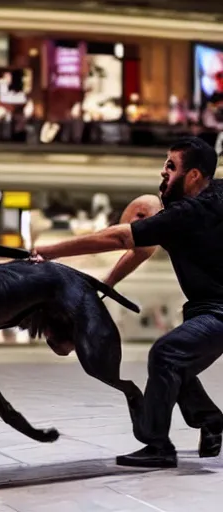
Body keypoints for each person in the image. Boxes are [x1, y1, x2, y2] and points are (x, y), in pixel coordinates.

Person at [35, 137, 223, 469]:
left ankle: (157, 445)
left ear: (193, 175)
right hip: (206, 309)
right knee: (177, 364)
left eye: (171, 166)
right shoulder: (211, 198)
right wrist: (106, 284)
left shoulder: (188, 213)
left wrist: (48, 251)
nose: (163, 171)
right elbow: (137, 249)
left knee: (166, 355)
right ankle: (210, 420)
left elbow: (122, 238)